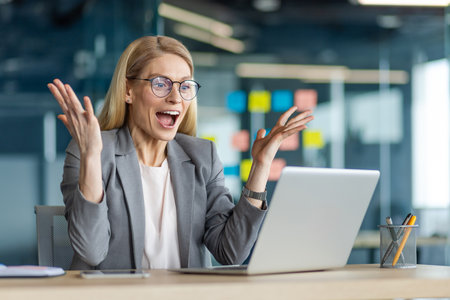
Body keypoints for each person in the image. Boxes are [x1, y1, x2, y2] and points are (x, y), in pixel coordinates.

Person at [48, 35, 313, 270]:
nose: (176, 98)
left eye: (185, 86)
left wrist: (261, 166)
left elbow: (230, 252)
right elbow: (92, 252)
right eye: (161, 84)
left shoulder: (202, 156)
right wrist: (92, 156)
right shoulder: (91, 152)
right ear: (128, 90)